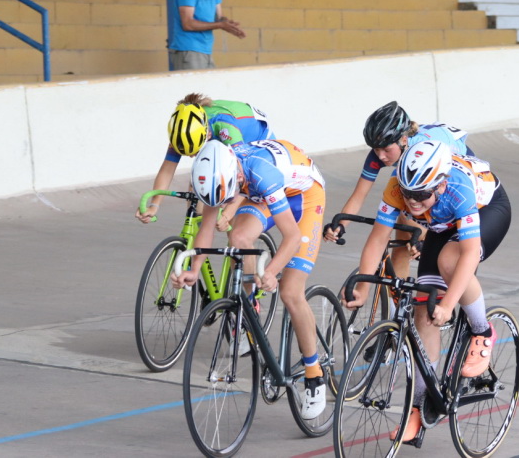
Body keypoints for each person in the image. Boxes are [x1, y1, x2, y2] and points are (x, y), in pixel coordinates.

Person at [344, 140, 511, 441]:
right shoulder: (398, 188)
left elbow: (469, 254)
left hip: (487, 210)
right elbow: (378, 238)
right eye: (408, 194)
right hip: (441, 224)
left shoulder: (458, 189)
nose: (412, 203)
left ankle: (482, 331)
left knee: (451, 260)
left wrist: (449, 304)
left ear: (441, 184)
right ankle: (419, 408)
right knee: (423, 313)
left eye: (420, 195)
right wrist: (365, 285)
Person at [172, 138, 330, 419]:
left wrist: (270, 272)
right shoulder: (213, 173)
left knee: (290, 291)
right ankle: (250, 305)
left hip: (304, 197)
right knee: (239, 236)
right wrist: (194, 270)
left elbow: (292, 237)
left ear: (236, 176)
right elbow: (207, 226)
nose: (222, 204)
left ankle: (314, 374)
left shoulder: (259, 172)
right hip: (263, 194)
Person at [323, 101, 470, 277]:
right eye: (375, 150)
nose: (381, 156)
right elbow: (359, 195)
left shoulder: (423, 150)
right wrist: (340, 225)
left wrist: (425, 238)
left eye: (386, 149)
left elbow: (440, 196)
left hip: (455, 166)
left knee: (413, 219)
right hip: (420, 170)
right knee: (401, 238)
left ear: (403, 140)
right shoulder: (382, 152)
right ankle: (399, 304)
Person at [135, 93, 274, 224]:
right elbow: (167, 170)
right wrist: (154, 205)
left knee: (232, 225)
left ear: (207, 135)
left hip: (256, 141)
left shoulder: (225, 128)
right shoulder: (181, 133)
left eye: (194, 150)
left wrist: (228, 213)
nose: (190, 156)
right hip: (222, 140)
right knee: (198, 201)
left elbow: (245, 175)